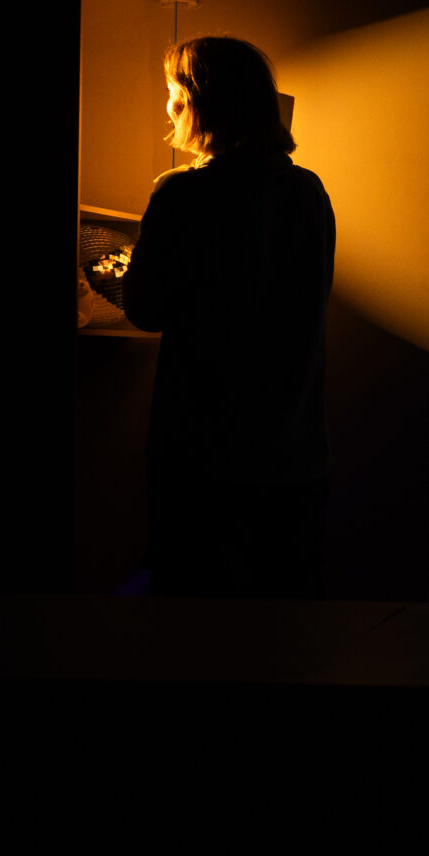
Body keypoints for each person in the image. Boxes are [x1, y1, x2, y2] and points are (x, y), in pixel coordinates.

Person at [123, 36, 337, 598]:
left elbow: (145, 309)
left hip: (200, 456)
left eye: (174, 92)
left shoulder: (181, 194)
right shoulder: (309, 192)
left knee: (193, 614)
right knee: (284, 618)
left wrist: (119, 271)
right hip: (296, 451)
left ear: (201, 102)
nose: (168, 106)